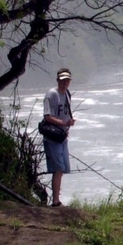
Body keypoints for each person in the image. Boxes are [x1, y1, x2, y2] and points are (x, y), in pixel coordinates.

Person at [43, 67, 76, 207]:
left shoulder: (67, 94)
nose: (65, 82)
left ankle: (56, 199)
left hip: (62, 137)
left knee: (61, 169)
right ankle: (56, 202)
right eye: (62, 80)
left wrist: (67, 126)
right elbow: (47, 116)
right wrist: (64, 123)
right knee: (58, 168)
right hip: (53, 136)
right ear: (57, 80)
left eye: (67, 80)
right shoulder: (51, 94)